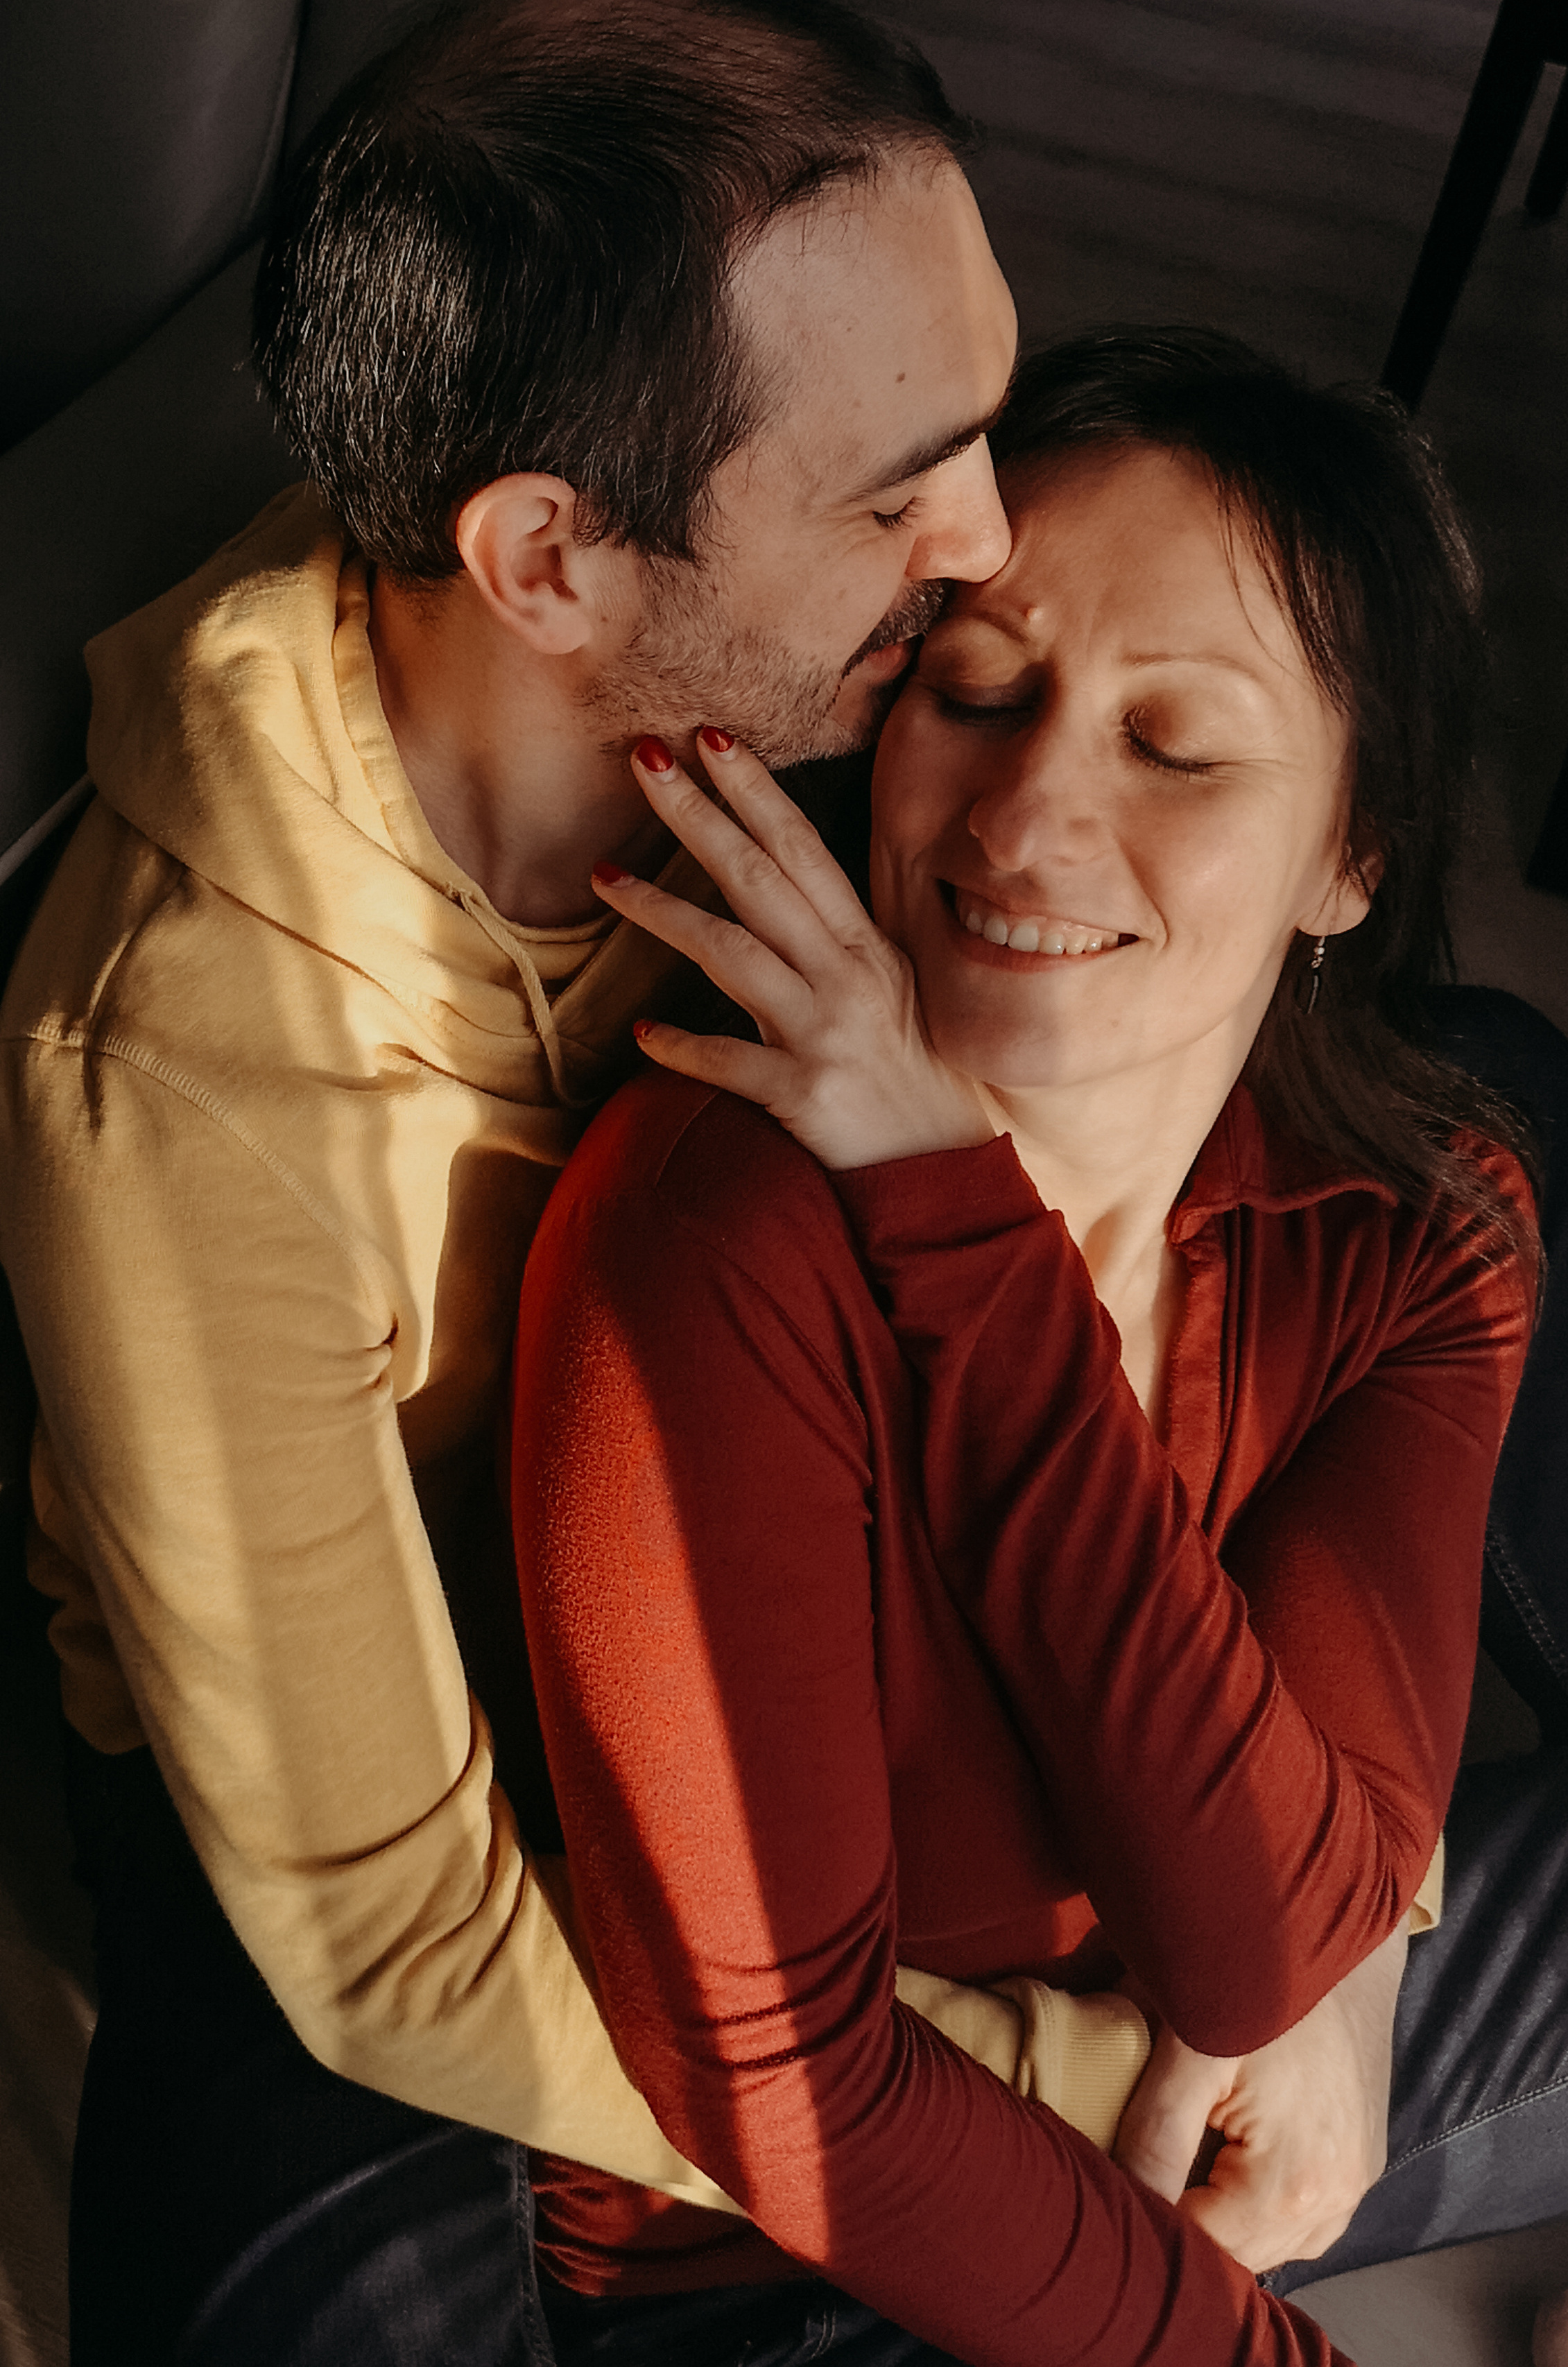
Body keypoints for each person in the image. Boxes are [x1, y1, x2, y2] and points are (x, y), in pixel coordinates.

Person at [0, 6, 1161, 2359]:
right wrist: (1038, 2105)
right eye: (898, 484)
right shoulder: (186, 1075)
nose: (993, 545)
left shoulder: (820, 700)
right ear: (547, 559)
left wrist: (1330, 1937)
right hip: (359, 1802)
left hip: (733, 1600)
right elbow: (391, 1941)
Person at [510, 328, 1568, 2367]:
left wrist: (1345, 1996)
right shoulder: (718, 1224)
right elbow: (792, 2101)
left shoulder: (1419, 1215)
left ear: (1351, 860)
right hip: (807, 2251)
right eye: (981, 693)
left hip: (1209, 2082)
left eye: (1176, 746)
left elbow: (1267, 1939)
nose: (1026, 815)